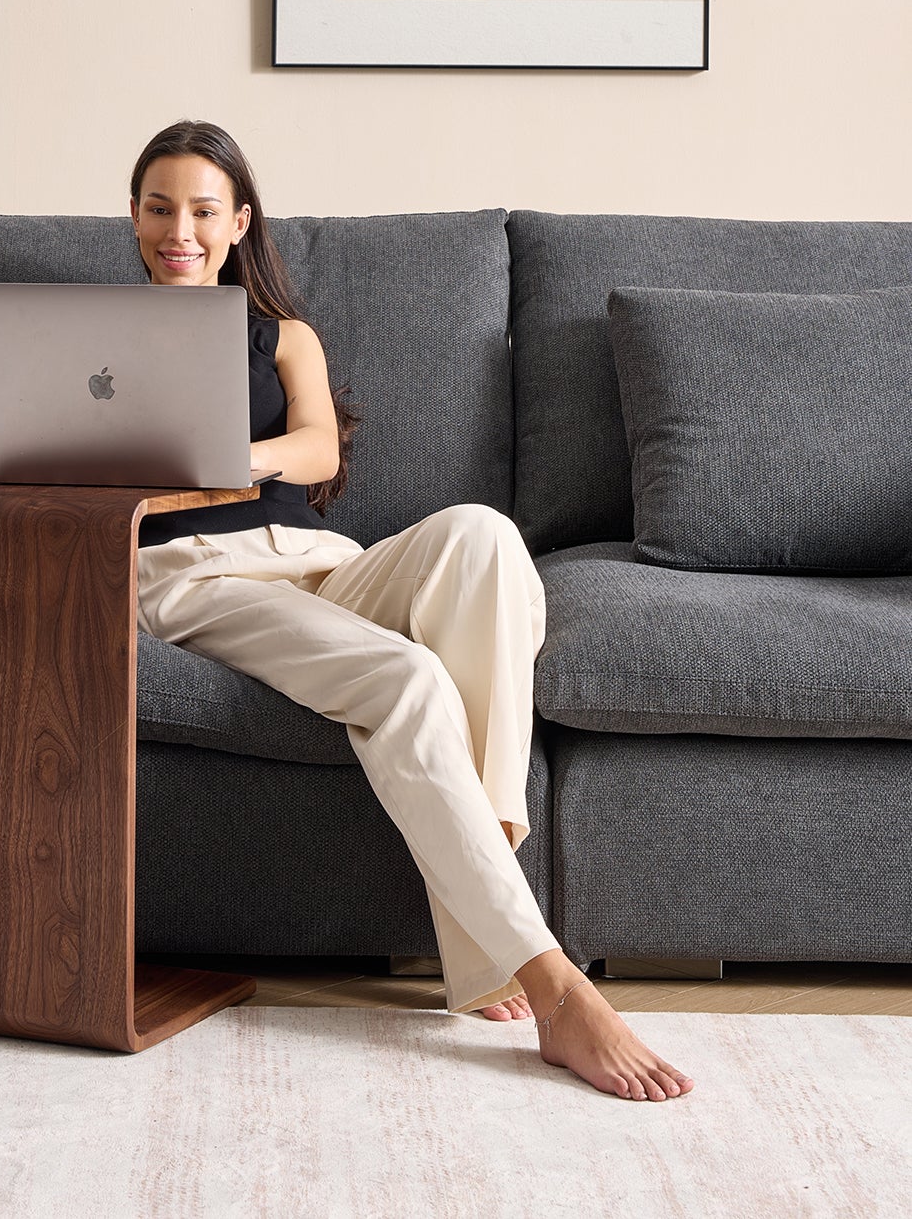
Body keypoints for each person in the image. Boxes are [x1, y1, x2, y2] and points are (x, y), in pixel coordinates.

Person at [127, 118, 696, 1102]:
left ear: (240, 223)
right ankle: (551, 983)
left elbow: (316, 449)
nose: (180, 230)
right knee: (407, 677)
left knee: (485, 538)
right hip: (194, 578)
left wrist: (223, 460)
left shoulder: (281, 336)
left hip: (316, 561)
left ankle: (482, 909)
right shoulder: (97, 341)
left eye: (203, 210)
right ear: (133, 217)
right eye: (159, 207)